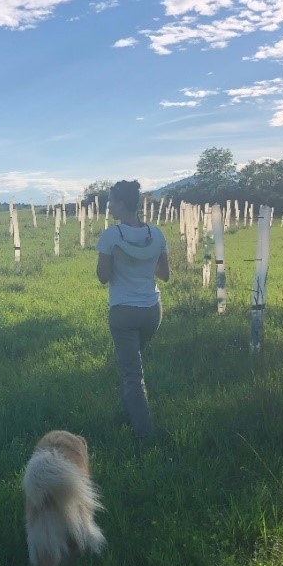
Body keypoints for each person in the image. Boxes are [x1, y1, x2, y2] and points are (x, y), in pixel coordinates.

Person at [96, 180, 169, 440]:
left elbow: (103, 276)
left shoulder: (111, 236)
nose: (110, 206)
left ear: (123, 203)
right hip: (152, 311)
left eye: (112, 201)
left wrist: (122, 261)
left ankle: (144, 434)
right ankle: (127, 411)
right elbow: (165, 274)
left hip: (123, 312)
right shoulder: (157, 234)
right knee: (131, 365)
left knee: (131, 373)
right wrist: (143, 263)